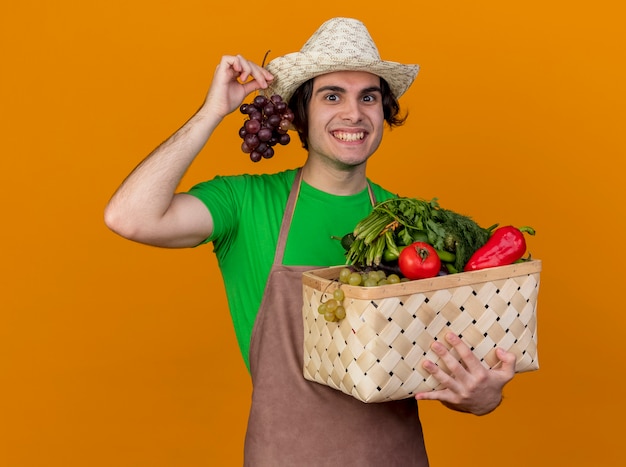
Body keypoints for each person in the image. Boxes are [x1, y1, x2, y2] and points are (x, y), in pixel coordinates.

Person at [104, 17, 516, 466]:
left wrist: (480, 396)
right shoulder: (244, 203)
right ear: (301, 112)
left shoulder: (408, 224)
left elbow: (448, 369)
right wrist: (211, 112)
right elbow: (129, 216)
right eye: (332, 95)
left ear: (383, 112)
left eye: (369, 97)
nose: (353, 114)